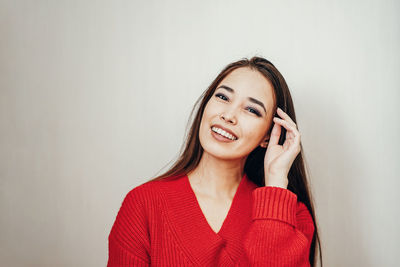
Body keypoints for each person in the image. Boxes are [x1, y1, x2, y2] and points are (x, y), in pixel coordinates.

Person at [107, 56, 322, 266]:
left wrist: (275, 183)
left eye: (252, 110)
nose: (228, 115)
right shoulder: (142, 204)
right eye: (223, 97)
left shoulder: (293, 217)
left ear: (268, 136)